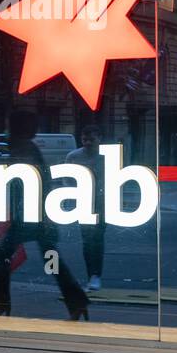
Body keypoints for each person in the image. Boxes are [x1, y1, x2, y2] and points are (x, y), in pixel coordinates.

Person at [0, 109, 90, 321]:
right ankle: (77, 302)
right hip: (37, 214)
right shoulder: (28, 147)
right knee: (52, 261)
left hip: (30, 214)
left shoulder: (22, 148)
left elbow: (24, 184)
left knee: (3, 256)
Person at [67, 124, 107, 291]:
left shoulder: (107, 157)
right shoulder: (73, 156)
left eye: (91, 139)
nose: (88, 142)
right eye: (85, 139)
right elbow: (67, 179)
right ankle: (93, 275)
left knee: (95, 240)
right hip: (84, 203)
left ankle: (95, 275)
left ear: (100, 139)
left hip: (102, 204)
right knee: (88, 241)